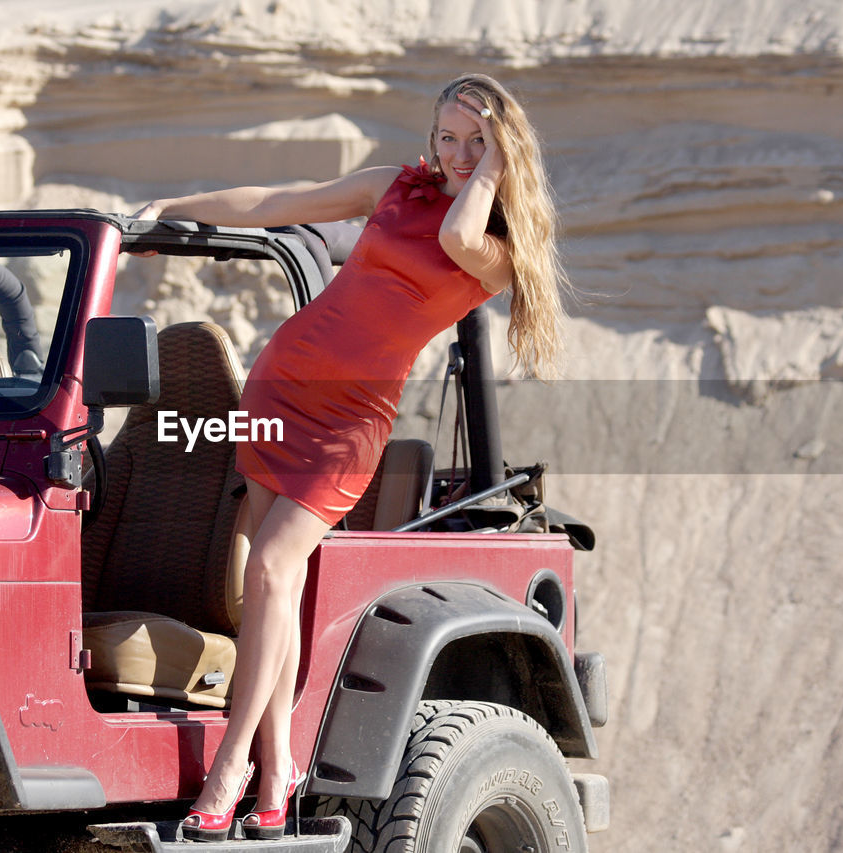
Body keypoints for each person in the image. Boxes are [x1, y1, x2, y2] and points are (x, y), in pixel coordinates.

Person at [132, 72, 567, 842]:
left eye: (477, 140)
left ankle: (231, 764)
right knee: (276, 587)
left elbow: (456, 240)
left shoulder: (501, 248)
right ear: (427, 139)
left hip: (348, 422)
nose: (458, 154)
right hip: (281, 384)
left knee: (267, 570)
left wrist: (495, 168)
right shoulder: (392, 186)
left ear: (505, 148)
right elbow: (279, 202)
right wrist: (176, 206)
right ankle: (278, 766)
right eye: (447, 138)